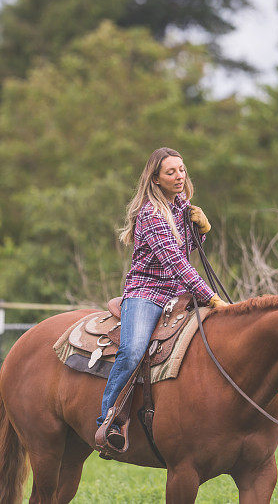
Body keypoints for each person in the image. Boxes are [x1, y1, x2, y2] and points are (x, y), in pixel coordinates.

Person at [95, 147, 228, 446]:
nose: (179, 176)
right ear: (156, 178)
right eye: (171, 172)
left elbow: (185, 248)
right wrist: (211, 297)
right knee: (132, 351)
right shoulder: (151, 214)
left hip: (177, 293)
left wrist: (202, 230)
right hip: (147, 293)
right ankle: (109, 418)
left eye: (181, 170)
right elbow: (175, 263)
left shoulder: (182, 205)